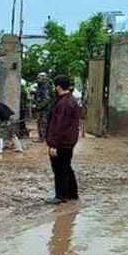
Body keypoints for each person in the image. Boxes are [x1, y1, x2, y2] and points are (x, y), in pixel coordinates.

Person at [45, 75, 81, 204]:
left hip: (61, 142)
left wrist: (53, 145)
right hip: (68, 141)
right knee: (66, 167)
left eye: (55, 86)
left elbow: (59, 125)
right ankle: (72, 194)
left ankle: (60, 196)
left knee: (60, 169)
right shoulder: (70, 100)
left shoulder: (64, 103)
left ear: (58, 87)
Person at [32, 73, 55, 142]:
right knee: (41, 122)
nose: (37, 79)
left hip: (45, 109)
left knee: (43, 123)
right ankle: (43, 137)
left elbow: (47, 99)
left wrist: (38, 107)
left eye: (39, 78)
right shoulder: (40, 86)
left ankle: (43, 138)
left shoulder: (45, 86)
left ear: (44, 78)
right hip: (42, 108)